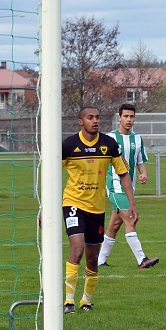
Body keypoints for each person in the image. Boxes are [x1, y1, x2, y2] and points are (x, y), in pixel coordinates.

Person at [59, 107, 135, 314]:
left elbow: (124, 174)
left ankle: (86, 301)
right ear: (80, 122)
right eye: (90, 118)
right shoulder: (68, 145)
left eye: (97, 117)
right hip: (73, 204)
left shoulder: (109, 145)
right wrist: (44, 208)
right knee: (77, 249)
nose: (95, 121)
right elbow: (52, 174)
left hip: (96, 208)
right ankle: (68, 302)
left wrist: (131, 205)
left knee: (93, 258)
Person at [97, 103, 159, 269]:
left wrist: (144, 173)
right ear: (119, 118)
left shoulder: (137, 139)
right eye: (125, 116)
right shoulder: (109, 138)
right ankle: (142, 259)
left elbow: (140, 162)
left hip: (129, 188)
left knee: (115, 225)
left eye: (131, 116)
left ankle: (99, 260)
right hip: (114, 186)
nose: (129, 119)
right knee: (130, 218)